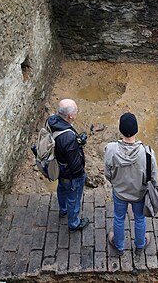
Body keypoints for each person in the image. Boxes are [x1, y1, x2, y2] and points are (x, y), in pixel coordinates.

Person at [104, 113, 158, 255]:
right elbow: (153, 178)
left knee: (119, 217)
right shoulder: (147, 153)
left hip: (120, 193)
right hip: (139, 194)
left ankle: (119, 245)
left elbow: (107, 173)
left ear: (120, 130)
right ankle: (140, 245)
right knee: (140, 218)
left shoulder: (110, 149)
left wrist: (115, 183)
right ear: (136, 129)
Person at [46, 99, 89, 231]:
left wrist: (78, 143)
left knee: (61, 189)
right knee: (74, 198)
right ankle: (74, 223)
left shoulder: (52, 120)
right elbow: (75, 165)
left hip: (59, 167)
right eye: (76, 111)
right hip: (70, 175)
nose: (77, 113)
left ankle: (63, 210)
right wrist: (81, 176)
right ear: (70, 116)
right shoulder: (69, 138)